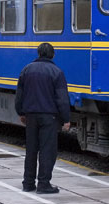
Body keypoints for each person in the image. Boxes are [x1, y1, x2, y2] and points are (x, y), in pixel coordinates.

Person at [15, 42, 70, 194]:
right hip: (49, 117)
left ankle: (28, 183)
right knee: (47, 150)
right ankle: (43, 184)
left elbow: (19, 94)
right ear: (52, 55)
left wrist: (21, 112)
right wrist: (66, 118)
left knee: (31, 150)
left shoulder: (26, 70)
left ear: (38, 54)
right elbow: (62, 98)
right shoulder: (56, 72)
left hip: (31, 116)